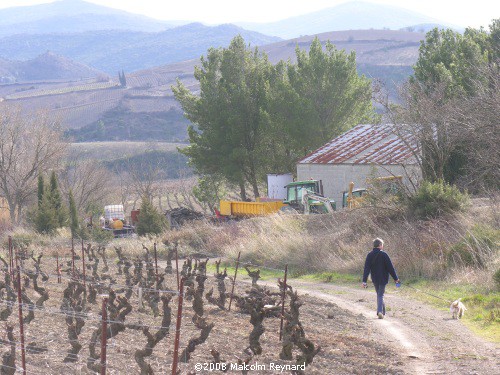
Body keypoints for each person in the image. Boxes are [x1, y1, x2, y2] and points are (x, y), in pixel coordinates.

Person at [362, 238, 400, 319]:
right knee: (380, 295)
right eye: (382, 244)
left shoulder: (369, 255)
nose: (382, 246)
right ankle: (380, 311)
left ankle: (383, 311)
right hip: (383, 278)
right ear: (380, 245)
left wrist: (364, 281)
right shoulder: (384, 254)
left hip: (374, 278)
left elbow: (366, 269)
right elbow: (391, 268)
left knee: (379, 294)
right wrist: (396, 279)